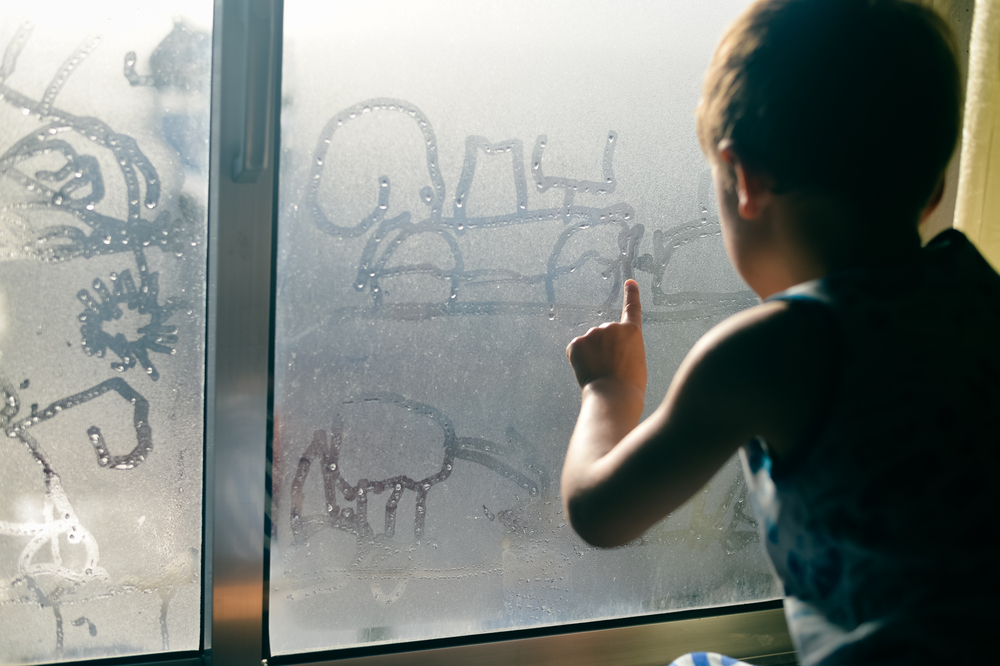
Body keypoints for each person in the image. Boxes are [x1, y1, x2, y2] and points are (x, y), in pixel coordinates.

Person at [560, 1, 1000, 665]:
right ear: (936, 187)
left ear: (745, 182)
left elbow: (600, 513)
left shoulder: (774, 350)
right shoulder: (976, 294)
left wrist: (608, 390)